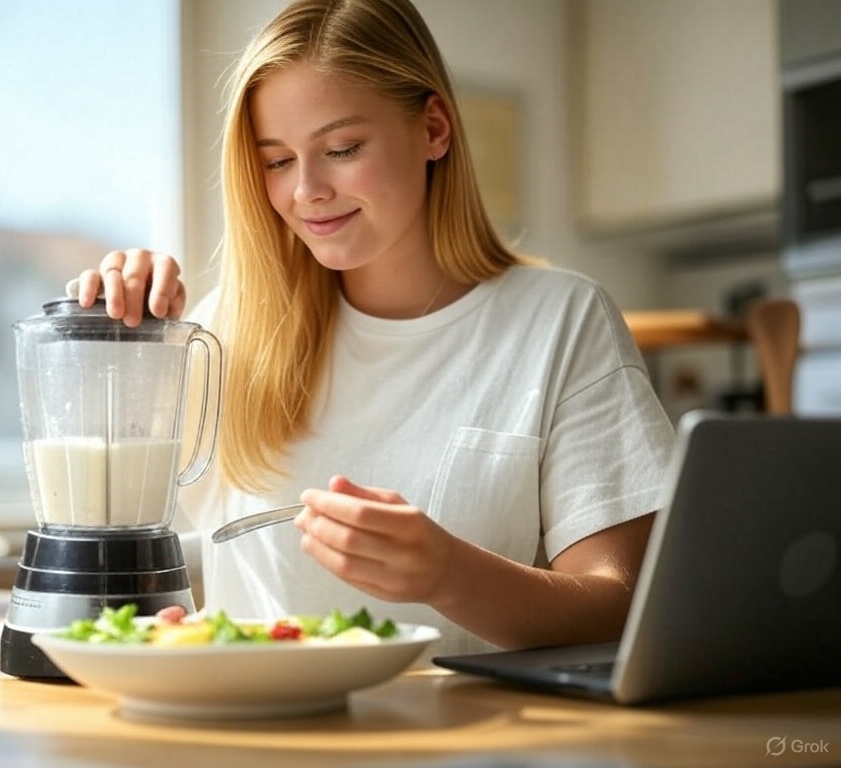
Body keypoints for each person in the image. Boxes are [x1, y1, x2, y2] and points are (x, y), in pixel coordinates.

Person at [69, 0, 675, 657]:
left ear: (434, 128)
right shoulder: (219, 332)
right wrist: (132, 332)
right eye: (276, 161)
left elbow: (621, 603)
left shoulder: (559, 321)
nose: (306, 190)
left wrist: (449, 573)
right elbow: (108, 513)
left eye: (341, 149)